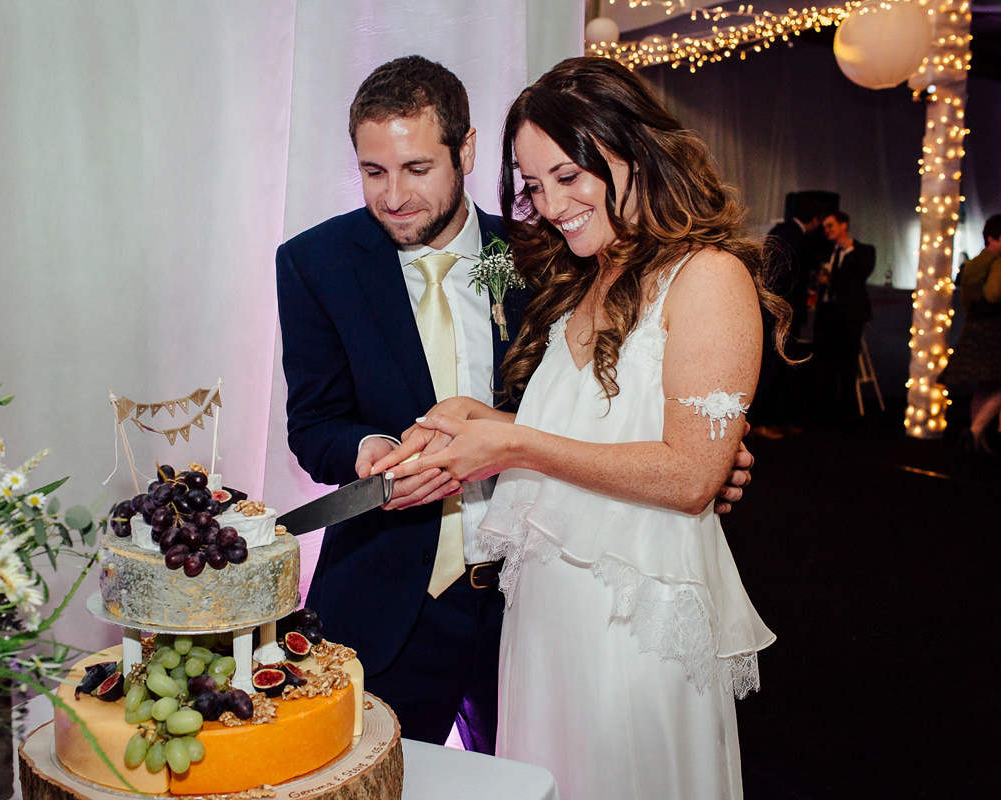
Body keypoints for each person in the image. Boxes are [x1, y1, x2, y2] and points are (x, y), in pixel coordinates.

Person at [275, 55, 752, 754]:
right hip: (394, 604)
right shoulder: (316, 263)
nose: (394, 196)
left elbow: (639, 374)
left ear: (465, 151)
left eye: (416, 169)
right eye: (373, 172)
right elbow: (313, 424)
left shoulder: (539, 253)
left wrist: (710, 447)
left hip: (527, 598)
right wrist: (367, 451)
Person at [750, 194, 824, 437]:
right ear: (815, 219)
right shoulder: (795, 237)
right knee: (773, 366)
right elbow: (782, 277)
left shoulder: (780, 231)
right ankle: (761, 423)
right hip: (781, 312)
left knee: (777, 366)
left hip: (776, 309)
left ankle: (770, 421)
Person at [940, 213, 1001, 453]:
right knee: (997, 386)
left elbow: (966, 299)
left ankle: (976, 439)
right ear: (994, 238)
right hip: (993, 330)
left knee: (984, 386)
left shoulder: (973, 263)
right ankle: (975, 431)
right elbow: (994, 295)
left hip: (973, 328)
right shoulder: (998, 261)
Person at [812, 210, 875, 424]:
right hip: (827, 314)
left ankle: (847, 415)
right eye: (825, 227)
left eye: (830, 225)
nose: (827, 231)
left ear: (843, 225)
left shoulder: (863, 251)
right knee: (825, 364)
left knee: (848, 365)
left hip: (849, 316)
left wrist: (848, 248)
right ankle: (825, 412)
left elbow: (863, 272)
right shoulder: (826, 253)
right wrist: (819, 282)